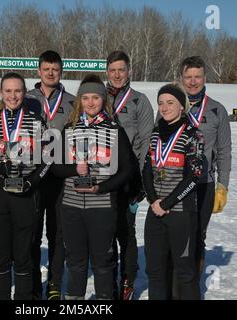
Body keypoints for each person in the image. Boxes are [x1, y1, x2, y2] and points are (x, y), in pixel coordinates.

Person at [51, 74, 133, 300]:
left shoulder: (115, 130)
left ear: (103, 99)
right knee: (75, 261)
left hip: (102, 206)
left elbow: (127, 170)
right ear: (79, 101)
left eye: (95, 97)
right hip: (71, 206)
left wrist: (102, 188)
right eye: (85, 98)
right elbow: (55, 167)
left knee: (102, 262)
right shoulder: (69, 129)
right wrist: (73, 170)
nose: (90, 102)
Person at [0, 72, 49, 300]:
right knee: (0, 253)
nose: (13, 96)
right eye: (8, 91)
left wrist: (31, 181)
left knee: (24, 254)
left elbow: (48, 159)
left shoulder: (37, 121)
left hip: (26, 193)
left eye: (17, 91)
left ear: (24, 93)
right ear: (1, 93)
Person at [143, 83, 206, 300]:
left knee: (184, 272)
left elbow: (194, 177)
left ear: (182, 106)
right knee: (155, 271)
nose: (164, 107)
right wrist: (153, 200)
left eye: (170, 103)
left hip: (181, 213)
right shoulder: (155, 133)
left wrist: (166, 203)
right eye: (160, 103)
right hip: (155, 211)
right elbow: (146, 169)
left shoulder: (193, 135)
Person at [26, 50, 74, 300]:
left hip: (61, 177)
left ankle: (54, 284)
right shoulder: (26, 98)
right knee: (32, 232)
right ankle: (33, 284)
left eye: (55, 69)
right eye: (46, 69)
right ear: (39, 71)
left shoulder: (73, 102)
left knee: (58, 233)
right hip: (33, 175)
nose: (51, 73)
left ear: (61, 71)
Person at [105, 50, 154, 299]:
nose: (117, 75)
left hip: (129, 178)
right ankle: (109, 279)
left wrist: (143, 178)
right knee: (105, 231)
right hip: (101, 177)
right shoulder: (96, 97)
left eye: (121, 70)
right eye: (112, 70)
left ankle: (128, 280)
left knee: (126, 231)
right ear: (107, 72)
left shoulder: (139, 101)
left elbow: (147, 140)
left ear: (129, 71)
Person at [179, 56, 232, 284]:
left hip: (204, 185)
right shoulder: (171, 105)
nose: (193, 82)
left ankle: (192, 285)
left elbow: (224, 152)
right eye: (188, 77)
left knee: (198, 236)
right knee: (178, 236)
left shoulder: (217, 110)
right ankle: (176, 284)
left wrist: (223, 186)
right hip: (175, 184)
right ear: (181, 78)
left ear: (204, 78)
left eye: (197, 77)